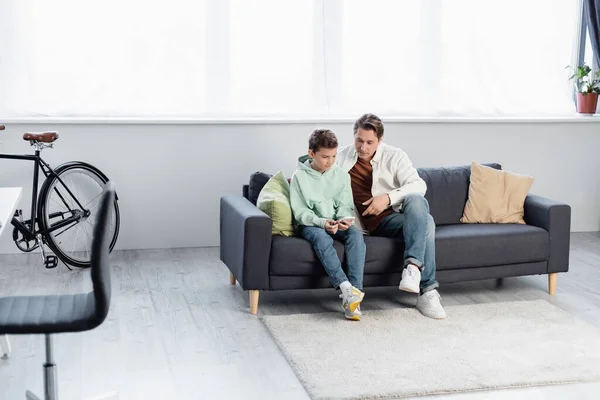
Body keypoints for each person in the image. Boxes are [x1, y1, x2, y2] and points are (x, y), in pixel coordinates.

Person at [336, 113, 447, 319]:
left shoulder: (395, 156)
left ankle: (413, 269)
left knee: (417, 200)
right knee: (428, 223)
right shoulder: (341, 157)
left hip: (391, 219)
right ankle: (428, 289)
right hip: (359, 225)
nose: (363, 147)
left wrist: (386, 198)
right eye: (359, 140)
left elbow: (419, 184)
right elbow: (317, 173)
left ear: (380, 140)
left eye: (370, 142)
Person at [290, 129, 366, 321]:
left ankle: (354, 295)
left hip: (335, 222)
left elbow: (344, 205)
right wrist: (322, 223)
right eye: (325, 157)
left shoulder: (341, 175)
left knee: (356, 235)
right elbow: (301, 213)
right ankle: (345, 288)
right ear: (311, 154)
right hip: (312, 224)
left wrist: (342, 220)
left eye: (333, 156)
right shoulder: (299, 177)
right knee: (321, 238)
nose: (330, 161)